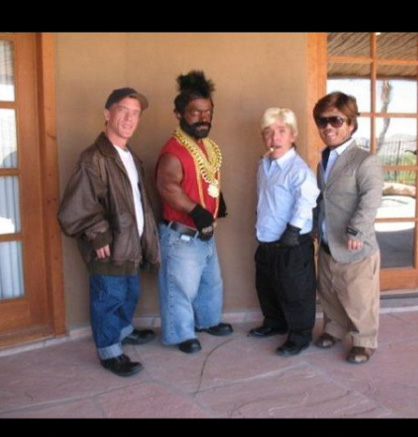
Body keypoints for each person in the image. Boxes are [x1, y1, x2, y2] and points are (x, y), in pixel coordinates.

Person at [57, 87, 160, 377]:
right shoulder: (93, 158)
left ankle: (123, 331)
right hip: (109, 246)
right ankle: (110, 352)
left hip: (129, 245)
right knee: (108, 298)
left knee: (129, 293)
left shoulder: (128, 155)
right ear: (107, 114)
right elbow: (76, 206)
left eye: (135, 113)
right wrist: (98, 234)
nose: (129, 118)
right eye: (122, 111)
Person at [155, 70, 232, 354]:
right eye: (195, 112)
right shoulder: (173, 150)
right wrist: (197, 212)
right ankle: (180, 334)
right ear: (179, 114)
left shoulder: (207, 146)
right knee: (180, 287)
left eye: (207, 112)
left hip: (205, 232)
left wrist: (217, 201)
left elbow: (206, 176)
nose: (203, 118)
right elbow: (167, 187)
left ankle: (208, 321)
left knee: (211, 282)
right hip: (182, 234)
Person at [313, 92, 384, 364]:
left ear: (351, 124)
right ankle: (334, 329)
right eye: (322, 121)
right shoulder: (324, 160)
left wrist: (357, 231)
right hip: (329, 242)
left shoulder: (365, 160)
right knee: (329, 291)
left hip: (355, 244)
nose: (328, 127)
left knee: (358, 296)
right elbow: (322, 197)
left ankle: (364, 341)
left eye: (336, 120)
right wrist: (316, 225)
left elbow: (371, 198)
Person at [248, 108, 320, 356]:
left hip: (292, 242)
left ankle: (300, 336)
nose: (274, 137)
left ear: (293, 135)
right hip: (267, 241)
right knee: (267, 286)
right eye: (268, 132)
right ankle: (275, 323)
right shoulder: (264, 165)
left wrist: (293, 230)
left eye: (281, 131)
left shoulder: (298, 170)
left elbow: (307, 199)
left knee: (295, 292)